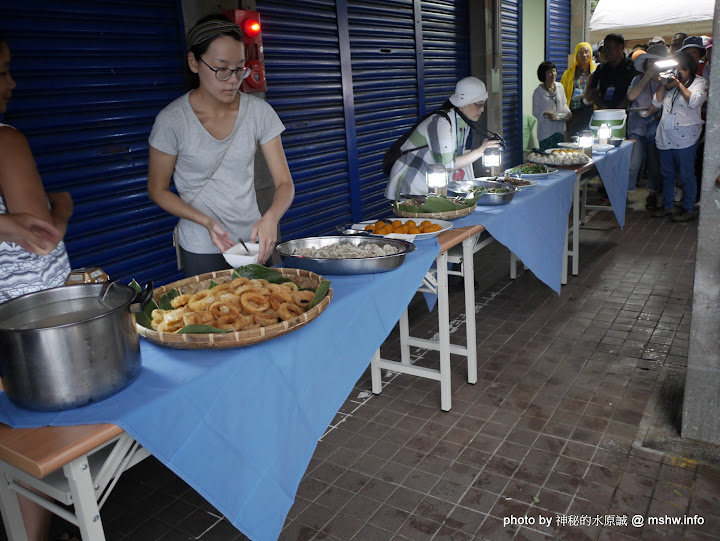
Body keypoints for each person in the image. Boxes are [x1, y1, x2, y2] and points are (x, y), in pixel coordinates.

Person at [147, 14, 294, 276]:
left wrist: (271, 217)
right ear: (194, 62)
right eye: (222, 69)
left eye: (240, 68)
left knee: (264, 311)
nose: (233, 79)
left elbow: (284, 183)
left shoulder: (260, 113)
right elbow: (158, 190)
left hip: (252, 242)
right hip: (201, 246)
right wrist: (205, 221)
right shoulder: (172, 121)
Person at [0, 29, 74, 541]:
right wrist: (62, 203)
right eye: (0, 71)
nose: (12, 82)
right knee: (36, 437)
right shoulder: (6, 140)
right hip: (24, 316)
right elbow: (43, 235)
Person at [384, 76, 502, 199]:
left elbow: (454, 158)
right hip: (411, 186)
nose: (482, 109)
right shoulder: (440, 122)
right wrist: (480, 151)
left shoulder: (462, 122)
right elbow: (447, 165)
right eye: (478, 104)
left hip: (432, 187)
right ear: (463, 103)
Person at [651, 50, 708, 221]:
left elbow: (695, 101)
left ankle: (689, 208)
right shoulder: (669, 83)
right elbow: (656, 102)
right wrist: (663, 83)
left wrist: (679, 85)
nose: (678, 73)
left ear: (690, 69)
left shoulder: (700, 82)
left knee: (686, 174)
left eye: (682, 70)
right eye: (676, 69)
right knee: (667, 173)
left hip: (687, 138)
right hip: (665, 135)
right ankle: (667, 206)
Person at [626, 44, 666, 200]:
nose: (652, 64)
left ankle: (653, 194)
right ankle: (625, 192)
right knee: (633, 163)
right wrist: (647, 77)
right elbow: (631, 97)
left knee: (654, 164)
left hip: (655, 127)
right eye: (650, 61)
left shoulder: (666, 81)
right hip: (636, 126)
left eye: (656, 62)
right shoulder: (637, 78)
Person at [585, 33, 638, 110]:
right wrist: (603, 108)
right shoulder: (601, 68)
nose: (606, 52)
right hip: (605, 113)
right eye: (605, 49)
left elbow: (635, 92)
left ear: (621, 47)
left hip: (628, 113)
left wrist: (619, 109)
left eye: (609, 49)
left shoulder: (633, 67)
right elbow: (593, 91)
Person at [560, 42, 597, 138]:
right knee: (572, 141)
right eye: (580, 52)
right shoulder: (568, 74)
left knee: (590, 141)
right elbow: (562, 94)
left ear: (591, 54)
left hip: (591, 113)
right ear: (576, 55)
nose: (584, 55)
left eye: (586, 52)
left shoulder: (596, 72)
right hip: (573, 114)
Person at [532, 61, 571, 150]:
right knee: (547, 157)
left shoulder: (560, 87)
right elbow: (535, 112)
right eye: (550, 72)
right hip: (546, 132)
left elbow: (564, 103)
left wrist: (568, 112)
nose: (553, 74)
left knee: (560, 155)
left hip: (560, 129)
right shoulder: (538, 92)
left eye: (554, 71)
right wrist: (545, 113)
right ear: (543, 75)